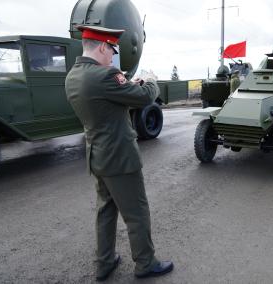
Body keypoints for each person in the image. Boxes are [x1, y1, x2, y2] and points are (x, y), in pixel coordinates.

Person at [65, 25, 173, 281]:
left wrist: (126, 84)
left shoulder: (74, 75)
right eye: (112, 50)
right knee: (136, 213)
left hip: (98, 156)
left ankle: (104, 263)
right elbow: (143, 97)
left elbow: (108, 100)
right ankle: (146, 263)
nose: (112, 56)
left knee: (106, 210)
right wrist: (151, 80)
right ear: (102, 46)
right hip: (120, 158)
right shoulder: (105, 76)